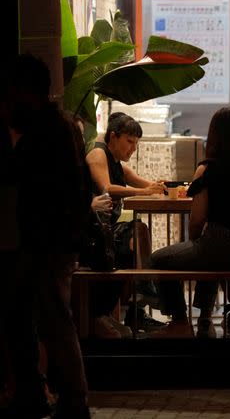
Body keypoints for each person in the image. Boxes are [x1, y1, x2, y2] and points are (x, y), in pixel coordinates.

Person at [2, 54, 91, 418]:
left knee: (52, 319)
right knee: (41, 316)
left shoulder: (43, 132)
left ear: (26, 91)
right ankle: (43, 392)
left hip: (46, 241)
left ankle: (71, 399)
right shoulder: (63, 127)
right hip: (56, 239)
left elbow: (19, 174)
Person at [150, 107, 230, 338]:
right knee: (207, 252)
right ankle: (206, 319)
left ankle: (181, 321)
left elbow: (197, 220)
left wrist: (196, 241)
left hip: (217, 246)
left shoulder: (207, 169)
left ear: (214, 135)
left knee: (162, 258)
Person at [84, 112, 167, 338]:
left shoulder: (117, 161)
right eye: (129, 142)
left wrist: (162, 187)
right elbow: (107, 188)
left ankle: (139, 296)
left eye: (136, 143)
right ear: (113, 136)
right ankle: (112, 309)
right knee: (133, 237)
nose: (133, 148)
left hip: (105, 231)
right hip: (90, 234)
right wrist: (145, 192)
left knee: (138, 230)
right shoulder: (98, 153)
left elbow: (142, 182)